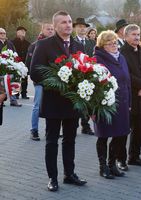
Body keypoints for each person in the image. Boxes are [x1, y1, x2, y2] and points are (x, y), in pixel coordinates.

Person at [30, 10, 87, 192]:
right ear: (55, 26)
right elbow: (35, 72)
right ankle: (52, 178)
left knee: (70, 140)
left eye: (70, 21)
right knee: (52, 141)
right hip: (54, 102)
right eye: (63, 22)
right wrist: (57, 81)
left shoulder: (78, 46)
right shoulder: (44, 44)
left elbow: (86, 70)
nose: (68, 25)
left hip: (72, 103)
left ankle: (69, 174)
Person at [93, 30, 131, 179]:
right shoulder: (97, 59)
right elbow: (94, 85)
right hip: (104, 104)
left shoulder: (121, 57)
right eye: (110, 43)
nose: (114, 45)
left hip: (122, 102)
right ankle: (103, 167)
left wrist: (130, 103)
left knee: (119, 135)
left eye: (115, 42)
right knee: (103, 136)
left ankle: (112, 164)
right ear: (103, 46)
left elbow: (127, 81)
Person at [120, 24, 141, 167]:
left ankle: (134, 157)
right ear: (125, 36)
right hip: (129, 96)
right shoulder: (122, 52)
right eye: (133, 34)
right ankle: (120, 159)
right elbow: (126, 75)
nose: (137, 37)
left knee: (139, 129)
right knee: (123, 131)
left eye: (138, 34)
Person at [26, 22, 55, 141]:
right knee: (37, 106)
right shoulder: (35, 45)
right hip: (40, 82)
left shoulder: (56, 45)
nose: (50, 31)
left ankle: (51, 130)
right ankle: (34, 130)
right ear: (42, 30)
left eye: (52, 29)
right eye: (48, 29)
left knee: (53, 106)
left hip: (54, 82)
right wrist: (39, 79)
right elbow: (29, 64)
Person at [73, 17, 95, 135]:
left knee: (87, 101)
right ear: (75, 28)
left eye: (84, 27)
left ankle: (85, 126)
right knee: (76, 101)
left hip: (89, 75)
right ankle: (73, 124)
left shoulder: (92, 42)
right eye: (79, 26)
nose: (82, 29)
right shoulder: (72, 41)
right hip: (76, 75)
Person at [0, 28, 21, 107]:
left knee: (13, 82)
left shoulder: (9, 43)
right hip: (1, 67)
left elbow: (15, 53)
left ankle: (13, 100)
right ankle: (2, 100)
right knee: (1, 84)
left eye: (4, 33)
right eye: (1, 33)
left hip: (10, 66)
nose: (3, 34)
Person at [12, 26, 31, 99]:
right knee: (15, 78)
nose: (23, 32)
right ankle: (15, 94)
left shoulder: (28, 43)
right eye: (21, 31)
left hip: (24, 63)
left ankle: (24, 94)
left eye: (24, 31)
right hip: (15, 63)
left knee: (24, 79)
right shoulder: (12, 42)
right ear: (17, 32)